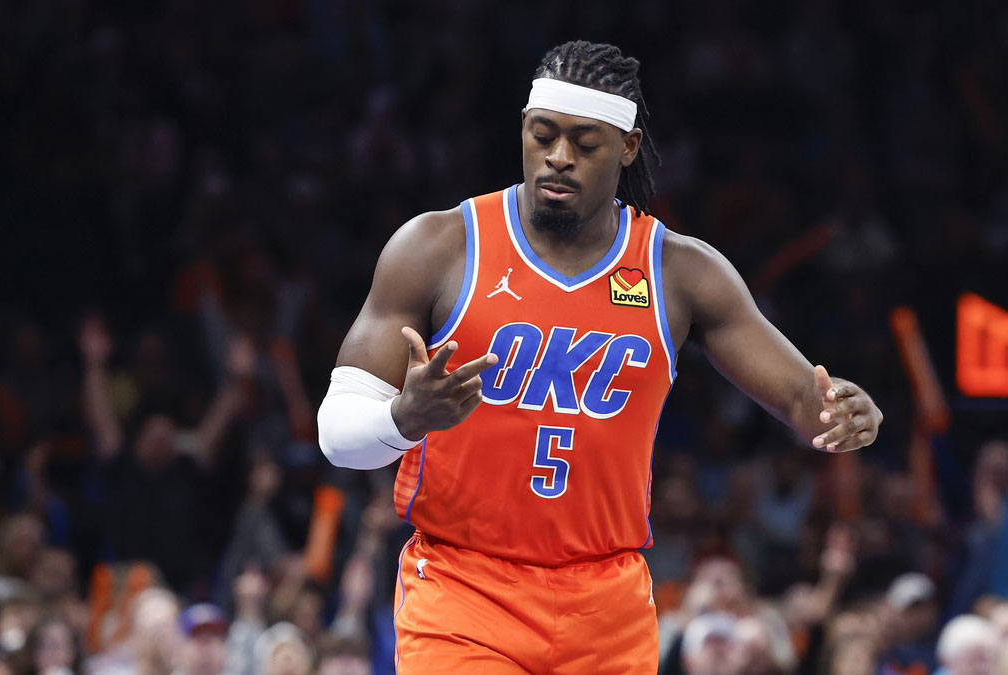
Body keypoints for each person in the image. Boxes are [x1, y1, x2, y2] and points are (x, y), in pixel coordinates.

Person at [316, 40, 883, 672]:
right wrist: (404, 418)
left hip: (607, 598)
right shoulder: (437, 246)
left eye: (586, 145)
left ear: (628, 148)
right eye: (543, 136)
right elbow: (338, 437)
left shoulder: (679, 271)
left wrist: (847, 414)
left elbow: (808, 402)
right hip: (464, 586)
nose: (559, 158)